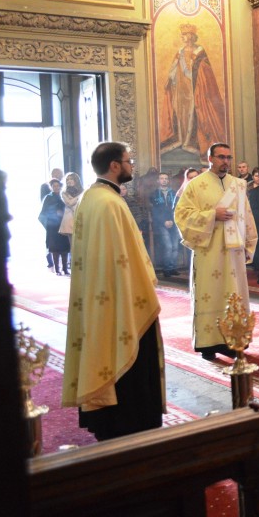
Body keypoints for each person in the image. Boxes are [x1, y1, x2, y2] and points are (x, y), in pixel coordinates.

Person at [62, 142, 164, 440]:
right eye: (128, 160)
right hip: (120, 296)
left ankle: (106, 419)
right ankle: (130, 420)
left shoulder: (91, 197)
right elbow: (126, 257)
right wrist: (144, 288)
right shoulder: (109, 202)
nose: (132, 165)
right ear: (115, 165)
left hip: (100, 293)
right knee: (127, 352)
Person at [174, 143, 258, 361]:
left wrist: (249, 244)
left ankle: (233, 339)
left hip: (234, 253)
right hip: (208, 250)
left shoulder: (238, 185)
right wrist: (212, 215)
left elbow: (246, 215)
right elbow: (182, 215)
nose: (225, 161)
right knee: (209, 294)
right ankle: (208, 343)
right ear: (209, 158)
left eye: (228, 157)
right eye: (221, 157)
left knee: (234, 292)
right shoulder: (196, 185)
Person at [158, 23, 226, 155]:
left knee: (194, 113)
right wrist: (170, 79)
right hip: (181, 89)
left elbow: (205, 70)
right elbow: (174, 68)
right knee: (181, 113)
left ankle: (191, 141)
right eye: (182, 35)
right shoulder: (180, 52)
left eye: (184, 35)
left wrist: (196, 74)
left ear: (190, 36)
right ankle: (182, 139)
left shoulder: (200, 51)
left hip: (195, 89)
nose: (182, 37)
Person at [149, 172, 180, 279]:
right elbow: (155, 211)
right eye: (162, 178)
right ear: (158, 181)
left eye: (166, 178)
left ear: (168, 180)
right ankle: (166, 268)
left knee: (175, 247)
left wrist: (172, 220)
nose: (164, 180)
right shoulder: (153, 194)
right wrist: (164, 222)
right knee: (168, 246)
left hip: (174, 222)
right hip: (161, 224)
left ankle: (173, 268)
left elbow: (177, 208)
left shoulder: (174, 193)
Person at [39, 179, 70, 275]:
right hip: (52, 227)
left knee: (65, 248)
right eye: (54, 186)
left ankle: (65, 268)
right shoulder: (48, 198)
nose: (56, 187)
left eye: (58, 186)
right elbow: (43, 214)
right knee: (54, 249)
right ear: (51, 187)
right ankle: (57, 269)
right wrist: (53, 217)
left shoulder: (64, 196)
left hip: (63, 225)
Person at [59, 172, 84, 250]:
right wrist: (80, 196)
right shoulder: (64, 192)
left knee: (82, 243)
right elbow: (70, 203)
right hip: (70, 219)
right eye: (67, 179)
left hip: (80, 218)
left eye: (71, 179)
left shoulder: (83, 191)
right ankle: (73, 261)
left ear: (76, 180)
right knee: (73, 245)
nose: (69, 181)